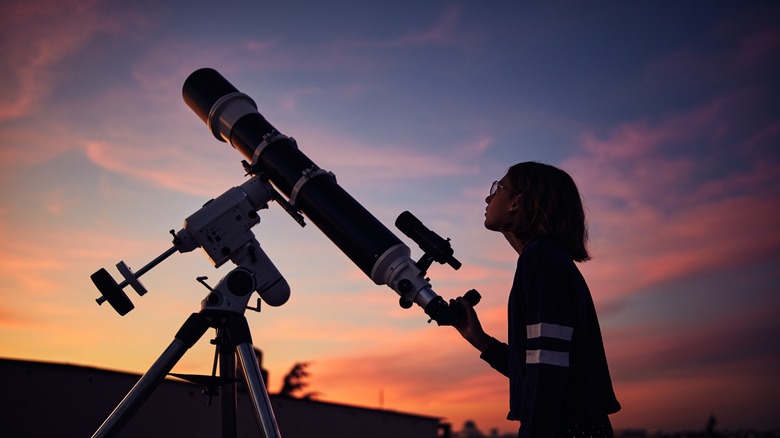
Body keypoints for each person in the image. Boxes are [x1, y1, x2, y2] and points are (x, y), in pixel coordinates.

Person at [453, 161, 621, 437]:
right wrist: (478, 338)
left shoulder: (540, 260)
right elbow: (535, 368)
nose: (488, 196)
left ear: (516, 202)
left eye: (498, 188)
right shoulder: (545, 259)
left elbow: (547, 368)